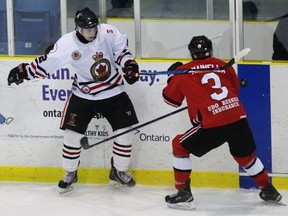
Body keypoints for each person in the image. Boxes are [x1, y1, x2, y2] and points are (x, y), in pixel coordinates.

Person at [7, 7, 140, 193]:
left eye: (94, 28)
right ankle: (70, 172)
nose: (92, 33)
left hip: (113, 91)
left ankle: (118, 171)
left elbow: (121, 52)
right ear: (78, 29)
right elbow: (46, 64)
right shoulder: (67, 44)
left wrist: (129, 65)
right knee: (71, 135)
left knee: (126, 132)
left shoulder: (108, 32)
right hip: (83, 95)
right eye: (88, 30)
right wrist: (24, 72)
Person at [162, 35, 283, 210]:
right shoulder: (222, 65)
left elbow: (170, 101)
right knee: (244, 156)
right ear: (210, 50)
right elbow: (234, 90)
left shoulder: (185, 71)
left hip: (214, 123)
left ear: (191, 53)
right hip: (237, 117)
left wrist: (172, 77)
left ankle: (183, 193)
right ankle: (268, 189)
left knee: (179, 145)